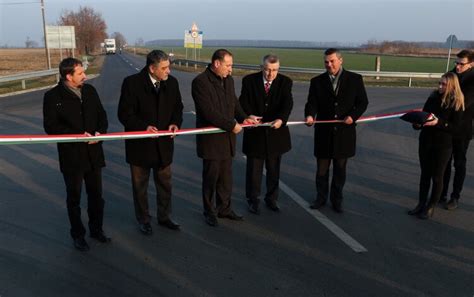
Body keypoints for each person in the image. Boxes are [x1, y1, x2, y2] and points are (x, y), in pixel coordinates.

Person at [43, 57, 110, 251]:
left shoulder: (90, 91)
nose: (85, 76)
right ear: (68, 76)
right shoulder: (53, 97)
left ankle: (97, 230)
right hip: (72, 156)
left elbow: (102, 116)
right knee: (74, 198)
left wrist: (100, 133)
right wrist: (76, 136)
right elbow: (51, 127)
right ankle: (78, 235)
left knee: (96, 196)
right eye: (80, 73)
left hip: (94, 153)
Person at [118, 50, 183, 234]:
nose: (168, 71)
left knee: (165, 184)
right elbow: (124, 114)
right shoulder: (131, 84)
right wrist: (143, 127)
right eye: (164, 68)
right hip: (140, 146)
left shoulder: (172, 83)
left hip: (164, 145)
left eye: (168, 66)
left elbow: (178, 108)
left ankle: (165, 216)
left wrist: (175, 123)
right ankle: (144, 219)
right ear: (152, 68)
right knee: (140, 187)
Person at [192, 49, 259, 226]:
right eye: (228, 65)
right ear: (217, 64)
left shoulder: (228, 80)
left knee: (226, 179)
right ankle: (209, 211)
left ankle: (224, 208)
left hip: (228, 140)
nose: (231, 69)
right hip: (211, 141)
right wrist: (231, 125)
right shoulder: (200, 82)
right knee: (211, 178)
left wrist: (244, 117)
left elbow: (234, 103)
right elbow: (208, 112)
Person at [304, 48, 368, 213]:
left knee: (340, 170)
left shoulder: (355, 79)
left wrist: (352, 117)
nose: (329, 64)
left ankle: (337, 199)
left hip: (344, 133)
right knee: (321, 170)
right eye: (326, 62)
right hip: (323, 133)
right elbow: (311, 103)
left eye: (332, 61)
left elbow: (362, 102)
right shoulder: (316, 81)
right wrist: (310, 115)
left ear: (341, 60)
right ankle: (320, 197)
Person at [239, 54, 293, 214]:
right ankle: (253, 200)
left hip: (276, 134)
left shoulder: (285, 82)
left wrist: (281, 119)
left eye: (274, 70)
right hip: (255, 134)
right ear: (261, 67)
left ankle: (272, 199)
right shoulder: (249, 81)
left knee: (273, 170)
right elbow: (243, 102)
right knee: (254, 172)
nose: (271, 74)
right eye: (267, 70)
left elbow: (287, 104)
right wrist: (248, 115)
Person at [409, 72, 464, 219]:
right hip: (426, 141)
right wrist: (417, 123)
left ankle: (430, 206)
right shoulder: (432, 97)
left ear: (452, 86)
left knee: (437, 177)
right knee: (424, 175)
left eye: (444, 84)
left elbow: (456, 128)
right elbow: (424, 116)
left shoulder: (457, 102)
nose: (440, 86)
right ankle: (421, 204)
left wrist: (438, 122)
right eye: (439, 83)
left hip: (443, 145)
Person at [441, 49, 474, 210]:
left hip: (462, 129)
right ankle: (442, 193)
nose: (458, 66)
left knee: (459, 163)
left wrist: (449, 97)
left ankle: (455, 197)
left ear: (471, 64)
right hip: (446, 127)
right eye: (457, 63)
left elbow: (463, 103)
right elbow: (441, 93)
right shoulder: (450, 74)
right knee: (444, 162)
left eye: (462, 64)